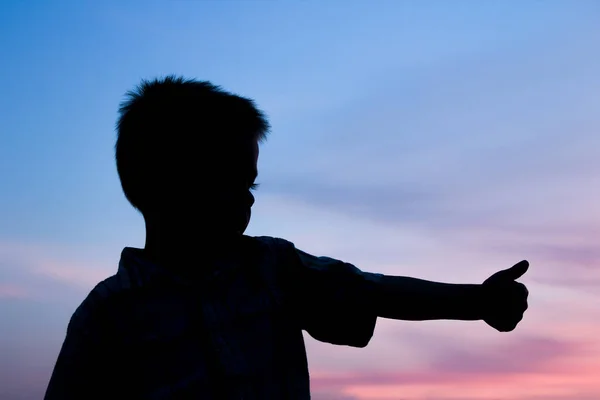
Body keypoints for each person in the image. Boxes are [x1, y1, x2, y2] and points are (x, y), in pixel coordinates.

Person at [44, 76, 529, 399]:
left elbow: (372, 290)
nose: (248, 198)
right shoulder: (106, 317)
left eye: (250, 182)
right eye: (230, 179)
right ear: (166, 182)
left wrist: (478, 301)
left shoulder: (272, 268)